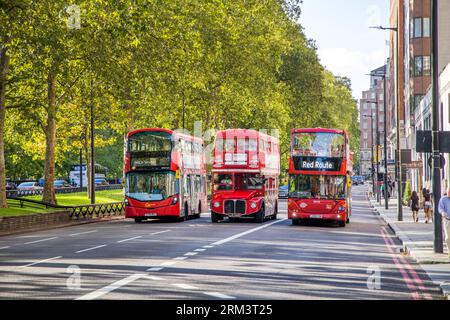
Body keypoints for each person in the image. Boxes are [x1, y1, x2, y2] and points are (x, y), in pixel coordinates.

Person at [438, 188, 450, 258]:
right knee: (448, 238)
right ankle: (449, 251)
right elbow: (440, 208)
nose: (449, 193)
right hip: (447, 220)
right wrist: (442, 212)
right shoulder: (443, 199)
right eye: (448, 192)